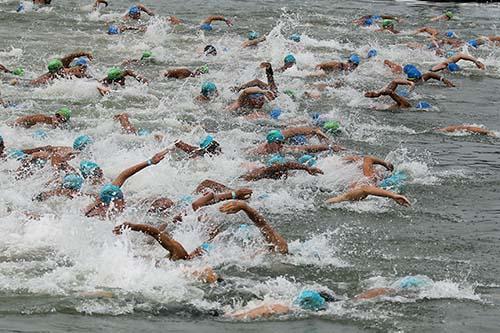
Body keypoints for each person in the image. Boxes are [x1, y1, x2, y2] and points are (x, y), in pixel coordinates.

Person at [84, 150, 168, 218]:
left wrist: (150, 161)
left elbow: (124, 175)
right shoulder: (99, 216)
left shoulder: (106, 194)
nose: (123, 203)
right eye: (120, 201)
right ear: (111, 204)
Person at [325, 155, 411, 206]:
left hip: (338, 199)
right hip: (343, 197)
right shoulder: (369, 178)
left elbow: (368, 159)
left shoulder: (369, 178)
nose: (375, 170)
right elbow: (365, 188)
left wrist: (385, 164)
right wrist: (393, 195)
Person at [249, 129, 344, 156]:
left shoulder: (282, 148)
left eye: (282, 142)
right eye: (278, 142)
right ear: (269, 143)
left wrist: (329, 147)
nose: (281, 145)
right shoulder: (258, 151)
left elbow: (307, 149)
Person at [384, 62, 455, 87]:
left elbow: (431, 74)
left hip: (408, 72)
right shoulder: (406, 81)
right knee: (396, 70)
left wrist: (444, 80)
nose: (419, 79)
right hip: (401, 75)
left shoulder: (422, 78)